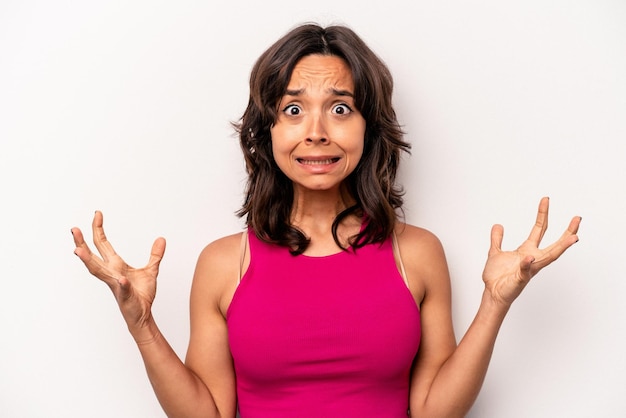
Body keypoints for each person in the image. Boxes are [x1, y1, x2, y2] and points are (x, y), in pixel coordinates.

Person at [71, 23, 581, 418]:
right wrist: (141, 326)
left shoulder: (418, 253)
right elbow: (209, 413)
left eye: (340, 108)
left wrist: (495, 303)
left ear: (369, 127)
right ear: (267, 129)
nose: (316, 132)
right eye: (293, 109)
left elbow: (433, 410)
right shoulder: (224, 262)